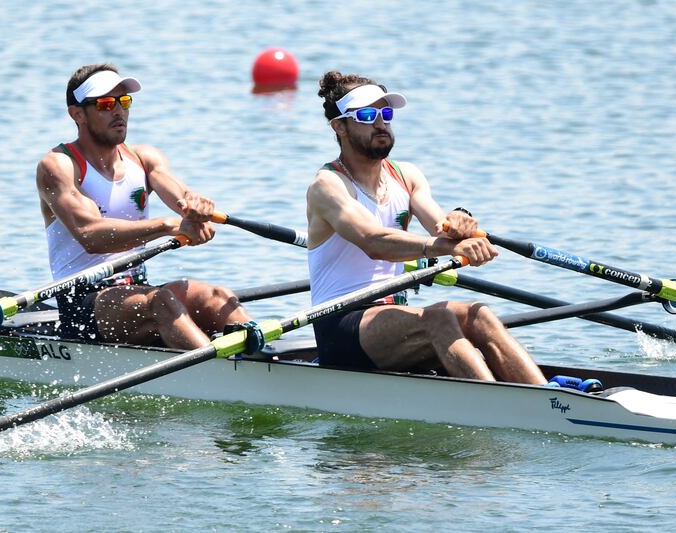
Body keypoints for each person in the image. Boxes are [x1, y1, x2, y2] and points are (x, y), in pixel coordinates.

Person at [306, 71, 546, 384]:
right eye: (366, 115)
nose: (380, 124)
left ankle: (548, 398)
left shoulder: (406, 176)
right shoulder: (328, 186)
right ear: (339, 126)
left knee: (479, 315)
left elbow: (440, 226)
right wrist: (448, 247)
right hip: (342, 325)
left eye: (386, 114)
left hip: (393, 316)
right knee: (439, 318)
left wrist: (459, 221)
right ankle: (495, 406)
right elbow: (372, 240)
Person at [36, 63, 252, 349]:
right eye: (104, 104)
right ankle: (224, 376)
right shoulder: (59, 165)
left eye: (124, 101)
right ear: (77, 114)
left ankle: (270, 365)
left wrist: (195, 208)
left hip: (135, 288)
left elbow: (181, 196)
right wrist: (166, 226)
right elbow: (90, 235)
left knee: (218, 297)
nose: (118, 111)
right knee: (163, 302)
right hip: (83, 304)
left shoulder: (144, 158)